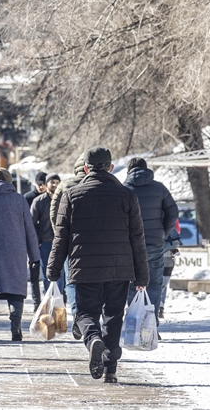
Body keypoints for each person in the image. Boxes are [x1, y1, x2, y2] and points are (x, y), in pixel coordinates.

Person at [47, 147, 148, 383]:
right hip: (119, 267)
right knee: (113, 315)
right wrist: (142, 276)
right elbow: (137, 237)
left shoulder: (72, 195)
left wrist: (53, 270)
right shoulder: (127, 195)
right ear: (110, 167)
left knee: (85, 313)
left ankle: (93, 339)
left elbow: (61, 237)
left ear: (85, 169)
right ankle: (110, 368)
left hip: (84, 268)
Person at [0, 168, 40, 341]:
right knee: (15, 290)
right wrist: (34, 256)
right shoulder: (19, 200)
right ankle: (15, 328)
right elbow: (29, 229)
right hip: (15, 252)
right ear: (9, 180)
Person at [122, 158, 178, 317]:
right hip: (155, 244)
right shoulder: (159, 188)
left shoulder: (124, 189)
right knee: (154, 284)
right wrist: (164, 233)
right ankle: (151, 324)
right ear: (147, 170)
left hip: (131, 246)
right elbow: (173, 213)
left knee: (133, 284)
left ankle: (134, 321)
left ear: (128, 171)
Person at [49, 155, 87, 339]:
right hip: (93, 243)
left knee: (71, 282)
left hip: (70, 242)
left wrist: (60, 236)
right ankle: (90, 318)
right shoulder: (98, 184)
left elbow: (54, 213)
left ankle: (78, 315)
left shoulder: (64, 186)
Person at [31, 173, 63, 295]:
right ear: (46, 183)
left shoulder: (64, 199)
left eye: (57, 182)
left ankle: (60, 302)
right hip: (45, 242)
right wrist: (37, 239)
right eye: (52, 182)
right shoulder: (38, 201)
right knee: (47, 273)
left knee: (61, 273)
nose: (54, 184)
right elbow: (31, 223)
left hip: (61, 242)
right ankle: (48, 300)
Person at [24, 171, 48, 307]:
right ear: (35, 184)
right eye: (39, 184)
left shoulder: (50, 198)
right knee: (34, 273)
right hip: (31, 238)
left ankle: (45, 301)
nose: (41, 187)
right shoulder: (28, 198)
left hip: (45, 238)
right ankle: (36, 303)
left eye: (44, 184)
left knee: (46, 273)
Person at [160, 223, 181, 319]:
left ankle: (156, 307)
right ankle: (160, 307)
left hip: (151, 256)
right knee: (162, 284)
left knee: (157, 283)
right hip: (167, 257)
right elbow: (176, 237)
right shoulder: (168, 216)